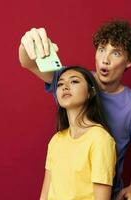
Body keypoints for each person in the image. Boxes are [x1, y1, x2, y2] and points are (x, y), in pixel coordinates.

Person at [19, 20, 131, 200]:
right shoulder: (74, 83)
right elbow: (28, 62)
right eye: (102, 49)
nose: (105, 59)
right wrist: (28, 44)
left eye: (116, 52)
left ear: (128, 61)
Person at [39, 66, 116, 200]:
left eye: (74, 81)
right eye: (60, 84)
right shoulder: (56, 140)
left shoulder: (100, 139)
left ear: (90, 93)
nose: (65, 87)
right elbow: (45, 195)